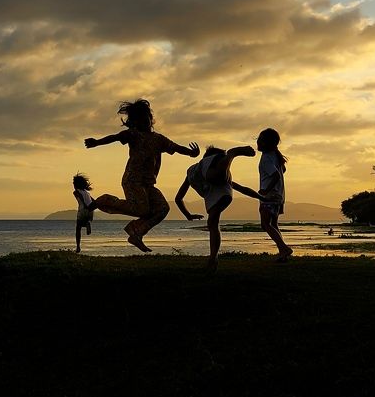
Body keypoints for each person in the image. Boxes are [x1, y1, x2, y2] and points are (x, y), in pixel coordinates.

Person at [84, 99, 200, 252]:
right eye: (140, 119)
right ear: (134, 122)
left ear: (150, 119)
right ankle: (104, 200)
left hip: (149, 183)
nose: (144, 122)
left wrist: (191, 153)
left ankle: (136, 233)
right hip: (133, 180)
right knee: (142, 210)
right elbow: (115, 137)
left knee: (162, 208)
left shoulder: (159, 139)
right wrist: (97, 142)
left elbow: (176, 147)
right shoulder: (133, 135)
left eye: (146, 118)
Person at [174, 145, 265, 271]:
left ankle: (232, 153)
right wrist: (188, 215)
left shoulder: (202, 169)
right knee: (212, 223)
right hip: (222, 194)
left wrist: (262, 197)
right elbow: (178, 198)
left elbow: (178, 199)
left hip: (220, 192)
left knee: (212, 222)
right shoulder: (198, 170)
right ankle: (213, 258)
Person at [257, 127, 293, 262]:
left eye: (260, 140)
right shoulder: (274, 155)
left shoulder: (266, 158)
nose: (258, 142)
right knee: (273, 224)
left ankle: (284, 248)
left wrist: (266, 190)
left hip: (270, 196)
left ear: (267, 143)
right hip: (279, 195)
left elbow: (276, 175)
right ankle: (283, 252)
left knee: (265, 224)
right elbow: (283, 170)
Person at [72, 173, 95, 253]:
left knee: (78, 228)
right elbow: (93, 200)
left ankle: (78, 247)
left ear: (76, 184)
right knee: (81, 224)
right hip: (90, 210)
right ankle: (86, 223)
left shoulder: (76, 192)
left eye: (73, 184)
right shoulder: (87, 192)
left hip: (83, 209)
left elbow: (81, 198)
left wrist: (85, 205)